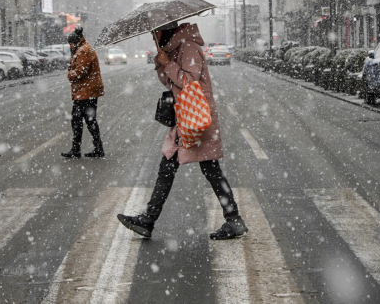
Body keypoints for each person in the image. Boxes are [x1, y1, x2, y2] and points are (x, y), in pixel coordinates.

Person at [117, 22, 247, 240]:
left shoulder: (188, 47)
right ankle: (150, 219)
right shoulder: (176, 49)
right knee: (174, 166)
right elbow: (168, 81)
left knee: (207, 169)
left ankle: (233, 220)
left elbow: (189, 82)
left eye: (154, 31)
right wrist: (161, 64)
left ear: (166, 30)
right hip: (184, 116)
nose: (153, 35)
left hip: (197, 117)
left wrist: (168, 64)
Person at [61, 26, 106, 158]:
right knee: (87, 119)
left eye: (70, 44)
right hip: (87, 90)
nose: (70, 46)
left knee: (78, 119)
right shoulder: (82, 49)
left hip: (86, 90)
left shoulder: (83, 51)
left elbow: (80, 71)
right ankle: (96, 147)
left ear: (74, 42)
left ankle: (77, 149)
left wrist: (69, 74)